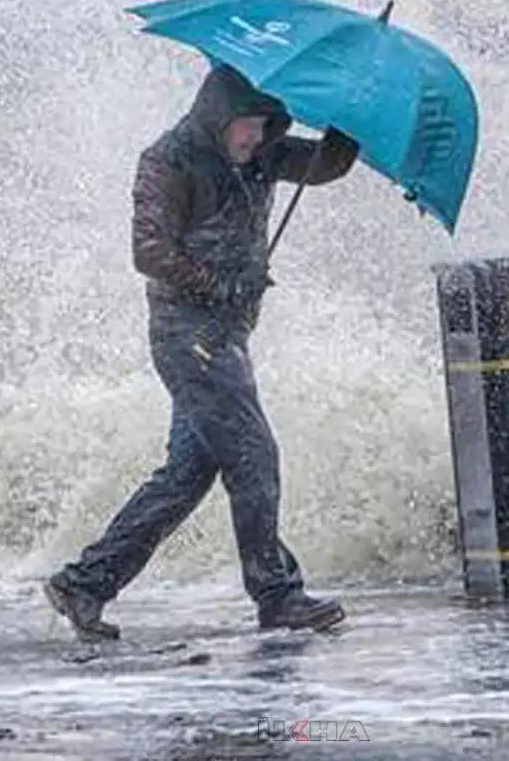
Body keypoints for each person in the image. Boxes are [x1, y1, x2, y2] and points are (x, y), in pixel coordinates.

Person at [44, 63, 360, 641]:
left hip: (227, 336)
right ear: (219, 118)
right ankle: (277, 594)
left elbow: (325, 166)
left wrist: (350, 119)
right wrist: (218, 285)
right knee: (253, 453)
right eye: (247, 127)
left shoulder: (262, 153)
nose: (256, 139)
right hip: (187, 335)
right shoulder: (168, 161)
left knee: (187, 474)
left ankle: (84, 584)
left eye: (266, 127)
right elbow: (149, 252)